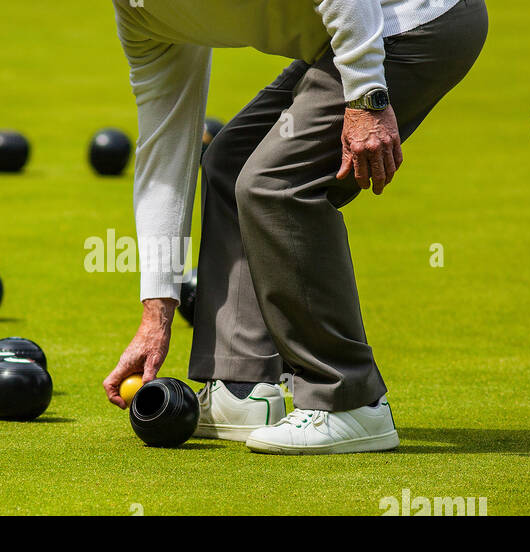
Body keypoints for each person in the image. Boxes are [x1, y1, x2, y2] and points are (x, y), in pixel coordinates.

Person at [102, 0, 488, 454]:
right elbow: (165, 151)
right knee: (232, 163)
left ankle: (349, 400)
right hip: (346, 40)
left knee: (275, 185)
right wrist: (157, 310)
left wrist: (367, 97)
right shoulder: (140, 15)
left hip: (416, 21)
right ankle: (241, 390)